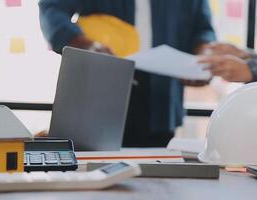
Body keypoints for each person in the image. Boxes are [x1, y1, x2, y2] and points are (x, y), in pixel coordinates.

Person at [38, 0, 216, 147]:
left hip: (161, 97)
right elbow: (52, 9)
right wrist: (81, 43)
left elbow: (203, 29)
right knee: (92, 171)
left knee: (156, 176)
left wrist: (205, 58)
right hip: (101, 88)